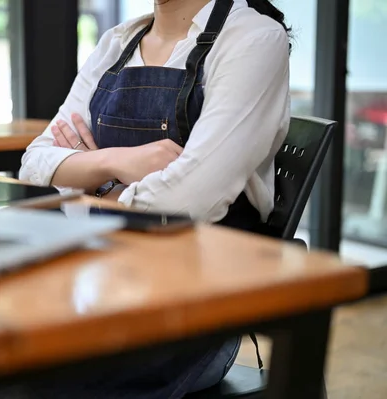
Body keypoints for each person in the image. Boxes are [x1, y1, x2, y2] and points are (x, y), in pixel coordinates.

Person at [15, 0, 291, 397]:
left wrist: (94, 177)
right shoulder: (118, 42)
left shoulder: (255, 39)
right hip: (97, 280)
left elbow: (186, 200)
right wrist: (120, 160)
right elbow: (34, 165)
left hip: (194, 313)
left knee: (40, 382)